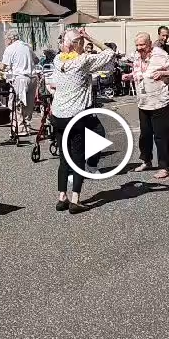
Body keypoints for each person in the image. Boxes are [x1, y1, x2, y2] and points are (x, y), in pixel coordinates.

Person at [51, 28, 116, 214]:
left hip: (58, 114)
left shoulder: (57, 61)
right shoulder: (84, 61)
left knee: (64, 157)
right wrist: (89, 37)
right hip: (76, 116)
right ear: (78, 44)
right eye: (81, 42)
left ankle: (61, 197)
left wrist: (71, 42)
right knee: (78, 157)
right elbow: (110, 53)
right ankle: (75, 199)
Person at [123, 32, 169, 179]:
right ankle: (146, 161)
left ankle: (164, 167)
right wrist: (130, 76)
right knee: (145, 135)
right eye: (137, 45)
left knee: (161, 137)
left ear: (149, 44)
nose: (139, 48)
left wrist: (163, 72)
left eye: (142, 45)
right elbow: (140, 73)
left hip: (160, 102)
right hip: (143, 102)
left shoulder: (160, 55)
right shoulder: (137, 56)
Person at [1, 29, 38, 136]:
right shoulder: (26, 46)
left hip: (21, 78)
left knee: (16, 103)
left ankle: (20, 128)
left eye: (5, 39)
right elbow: (36, 60)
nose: (5, 41)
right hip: (33, 77)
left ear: (10, 39)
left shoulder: (10, 49)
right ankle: (27, 126)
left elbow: (3, 66)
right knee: (29, 104)